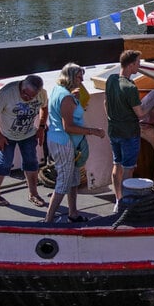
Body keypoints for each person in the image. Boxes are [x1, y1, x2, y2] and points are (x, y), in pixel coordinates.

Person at [43, 63, 105, 223]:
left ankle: (73, 213)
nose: (82, 80)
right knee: (64, 181)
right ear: (70, 77)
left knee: (74, 179)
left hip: (65, 142)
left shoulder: (59, 90)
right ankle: (48, 220)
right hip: (64, 143)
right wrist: (93, 131)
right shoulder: (66, 98)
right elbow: (68, 127)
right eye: (79, 77)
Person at [0, 74, 48, 208]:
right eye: (26, 96)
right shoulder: (7, 93)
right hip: (5, 134)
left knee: (31, 162)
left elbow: (44, 107)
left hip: (28, 133)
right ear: (22, 88)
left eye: (32, 97)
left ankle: (33, 194)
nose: (28, 99)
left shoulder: (41, 94)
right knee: (4, 163)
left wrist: (41, 127)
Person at [104, 49, 145, 212]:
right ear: (131, 65)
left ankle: (118, 199)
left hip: (114, 131)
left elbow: (106, 103)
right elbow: (140, 113)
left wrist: (112, 119)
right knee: (129, 168)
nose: (139, 66)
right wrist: (153, 103)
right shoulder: (130, 87)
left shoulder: (111, 80)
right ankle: (126, 204)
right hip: (129, 133)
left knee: (117, 164)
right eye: (138, 63)